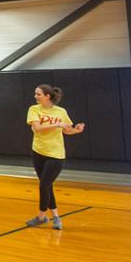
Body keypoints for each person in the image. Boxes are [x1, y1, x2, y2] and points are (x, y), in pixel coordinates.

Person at [25, 84, 85, 230]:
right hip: (38, 152)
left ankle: (41, 216)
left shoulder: (61, 111)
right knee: (47, 185)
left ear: (47, 96)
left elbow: (67, 130)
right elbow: (37, 128)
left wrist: (76, 130)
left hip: (56, 154)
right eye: (35, 94)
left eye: (38, 94)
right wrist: (58, 124)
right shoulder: (34, 109)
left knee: (44, 184)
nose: (35, 96)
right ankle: (56, 216)